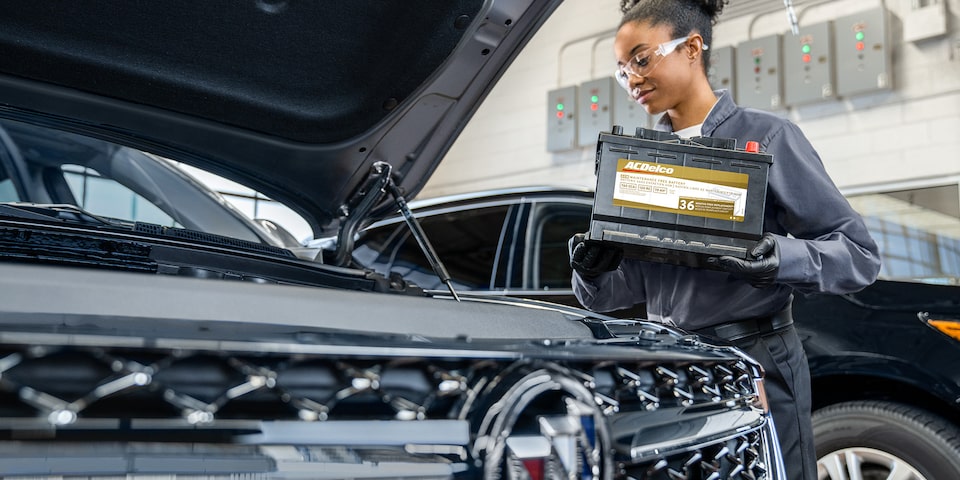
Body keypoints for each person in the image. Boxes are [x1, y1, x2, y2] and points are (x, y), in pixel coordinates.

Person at [568, 1, 882, 479]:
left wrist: (779, 256)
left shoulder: (769, 136)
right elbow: (621, 293)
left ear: (692, 48)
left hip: (754, 360)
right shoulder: (637, 163)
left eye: (641, 58)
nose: (631, 78)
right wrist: (592, 270)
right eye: (621, 70)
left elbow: (857, 256)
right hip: (671, 366)